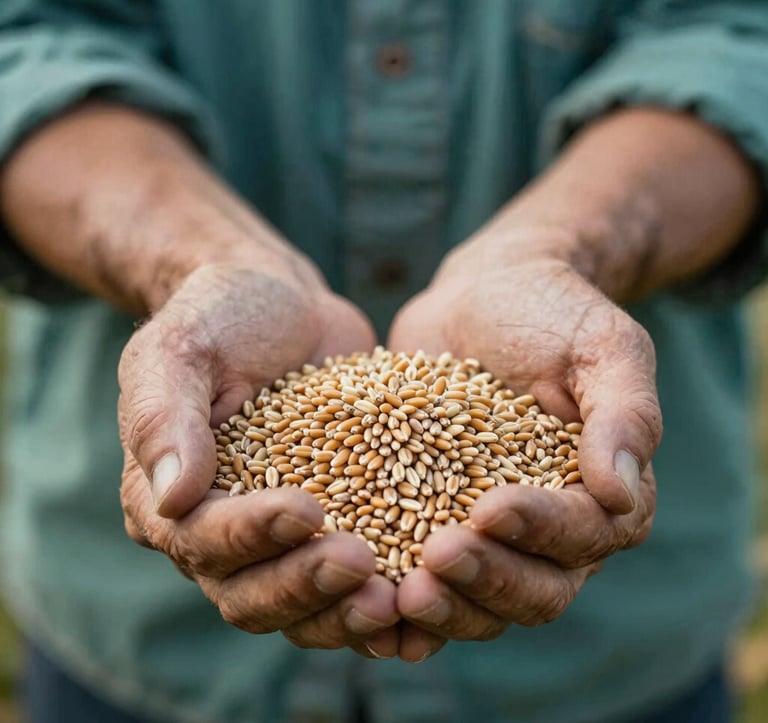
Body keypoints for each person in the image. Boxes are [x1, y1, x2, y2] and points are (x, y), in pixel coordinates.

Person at [0, 1, 766, 722]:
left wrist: (564, 248)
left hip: (609, 654)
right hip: (144, 635)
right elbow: (27, 34)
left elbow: (735, 35)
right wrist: (195, 260)